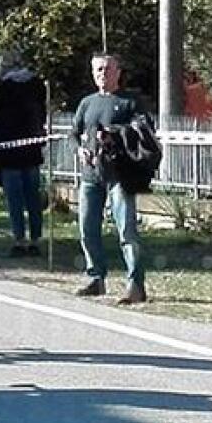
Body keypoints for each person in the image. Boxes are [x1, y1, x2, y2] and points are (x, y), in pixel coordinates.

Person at [71, 54, 147, 304]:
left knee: (127, 230)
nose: (102, 74)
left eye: (107, 69)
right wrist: (79, 149)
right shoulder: (87, 103)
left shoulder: (130, 102)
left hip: (120, 175)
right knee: (87, 228)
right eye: (98, 70)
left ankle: (135, 284)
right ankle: (96, 277)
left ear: (118, 72)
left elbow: (144, 131)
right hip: (91, 175)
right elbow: (75, 134)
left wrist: (114, 134)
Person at [0, 51, 46, 257]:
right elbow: (42, 112)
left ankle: (19, 239)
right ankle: (36, 239)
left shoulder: (3, 87)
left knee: (15, 199)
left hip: (8, 149)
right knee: (33, 197)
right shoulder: (36, 84)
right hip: (31, 148)